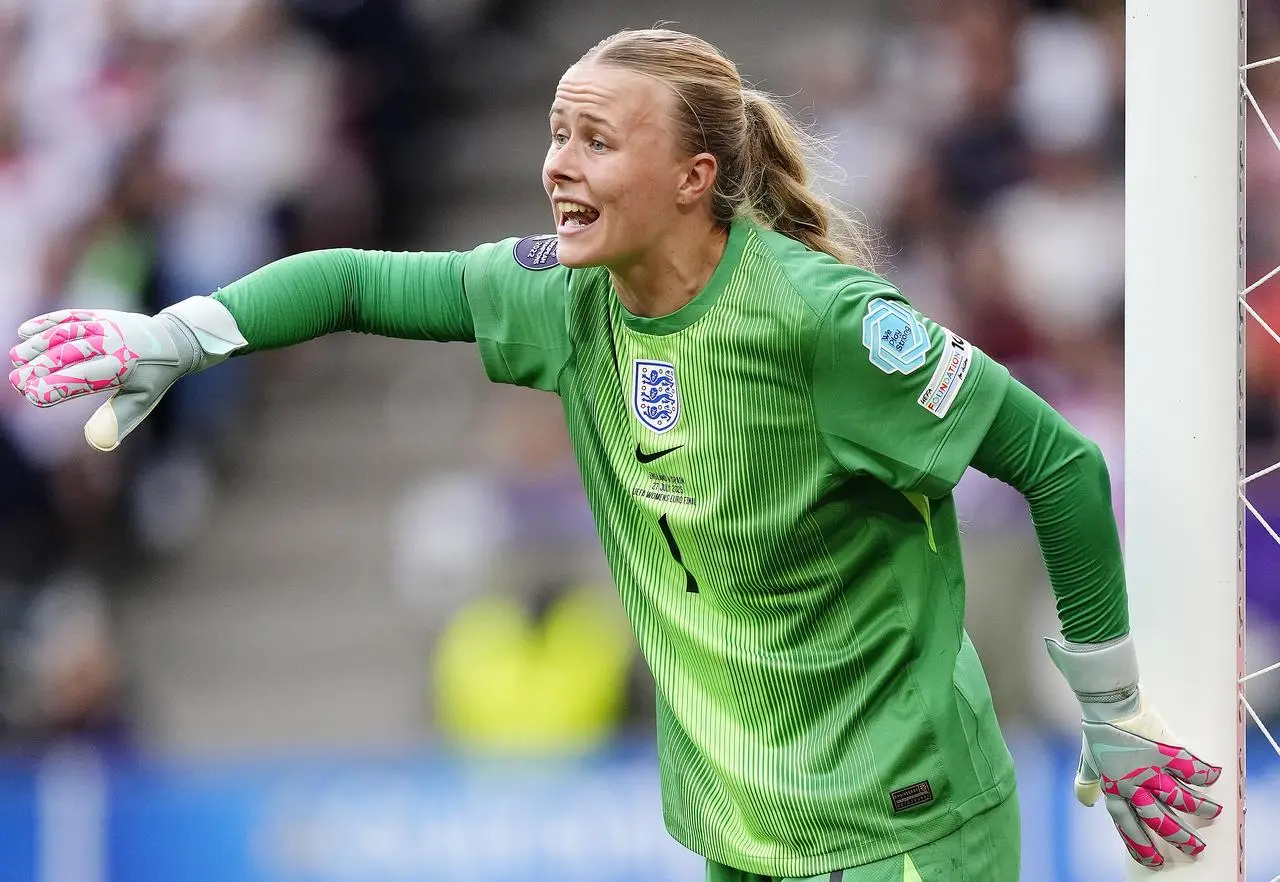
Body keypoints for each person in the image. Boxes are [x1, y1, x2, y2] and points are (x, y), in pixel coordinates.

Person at [8, 27, 1223, 882]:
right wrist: (178, 334)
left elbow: (1058, 465)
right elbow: (354, 281)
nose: (556, 164)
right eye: (554, 134)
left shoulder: (828, 327)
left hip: (899, 832)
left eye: (594, 139)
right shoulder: (560, 295)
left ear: (695, 178)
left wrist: (1109, 712)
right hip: (737, 832)